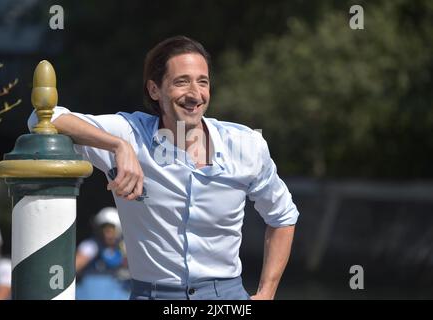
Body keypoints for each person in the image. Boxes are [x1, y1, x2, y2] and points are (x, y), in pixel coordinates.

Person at [28, 35, 299, 300]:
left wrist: (267, 292)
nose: (195, 94)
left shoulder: (246, 144)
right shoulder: (130, 134)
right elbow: (44, 116)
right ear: (154, 90)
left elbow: (282, 216)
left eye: (202, 82)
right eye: (182, 82)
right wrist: (118, 147)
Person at [75, 207, 130, 300]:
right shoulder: (90, 246)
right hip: (92, 293)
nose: (107, 234)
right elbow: (75, 266)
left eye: (111, 230)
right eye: (104, 229)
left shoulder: (126, 247)